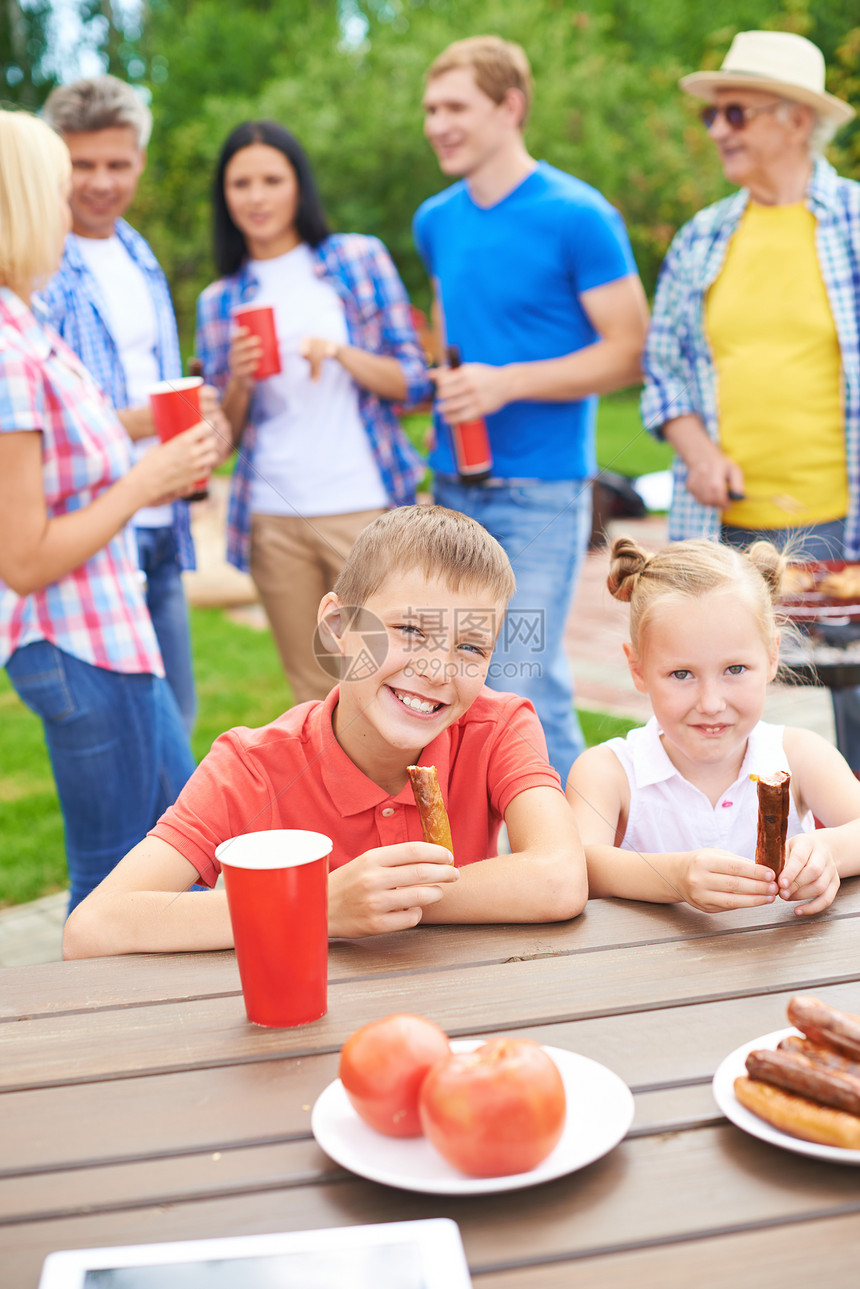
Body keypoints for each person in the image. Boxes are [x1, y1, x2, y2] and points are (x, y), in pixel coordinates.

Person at [62, 505, 588, 957]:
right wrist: (318, 907)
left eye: (470, 647)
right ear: (338, 627)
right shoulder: (250, 766)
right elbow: (92, 930)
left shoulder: (497, 727)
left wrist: (381, 901)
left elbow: (560, 878)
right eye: (409, 630)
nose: (437, 669)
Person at [413, 35, 649, 782]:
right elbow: (450, 331)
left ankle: (581, 851)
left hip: (542, 489)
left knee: (518, 676)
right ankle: (523, 849)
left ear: (510, 106)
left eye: (455, 107)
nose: (436, 124)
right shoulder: (435, 219)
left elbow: (627, 351)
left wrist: (506, 382)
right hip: (454, 484)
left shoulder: (578, 215)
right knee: (465, 681)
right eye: (429, 109)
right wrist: (448, 386)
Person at [0, 110, 219, 912]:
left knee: (187, 852)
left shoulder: (24, 327)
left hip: (110, 637)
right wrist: (146, 479)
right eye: (58, 193)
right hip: (76, 647)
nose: (71, 212)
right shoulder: (7, 350)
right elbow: (21, 557)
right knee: (114, 884)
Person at [640, 31, 860, 760]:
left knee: (856, 698)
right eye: (713, 116)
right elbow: (663, 368)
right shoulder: (704, 237)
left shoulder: (855, 224)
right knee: (714, 705)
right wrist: (697, 451)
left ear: (796, 119)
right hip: (722, 523)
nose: (717, 130)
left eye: (735, 113)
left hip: (841, 518)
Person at [194, 120, 432, 705]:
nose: (256, 196)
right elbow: (218, 441)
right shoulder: (220, 300)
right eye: (240, 183)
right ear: (224, 196)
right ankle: (334, 801)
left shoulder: (356, 259)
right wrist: (241, 380)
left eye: (271, 179)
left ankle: (411, 797)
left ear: (298, 185)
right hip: (274, 518)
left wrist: (344, 353)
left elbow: (415, 382)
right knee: (312, 693)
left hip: (364, 510)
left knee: (393, 678)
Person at [40, 74, 210, 739]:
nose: (101, 182)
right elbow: (40, 421)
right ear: (56, 162)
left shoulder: (137, 251)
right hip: (99, 525)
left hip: (164, 518)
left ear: (140, 161)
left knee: (179, 720)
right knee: (129, 732)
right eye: (83, 165)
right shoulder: (42, 259)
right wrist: (149, 424)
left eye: (117, 164)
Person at [566, 536, 860, 916]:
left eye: (734, 670)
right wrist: (674, 875)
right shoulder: (609, 773)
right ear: (637, 669)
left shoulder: (801, 755)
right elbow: (576, 866)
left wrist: (830, 853)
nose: (710, 703)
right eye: (682, 673)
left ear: (772, 656)